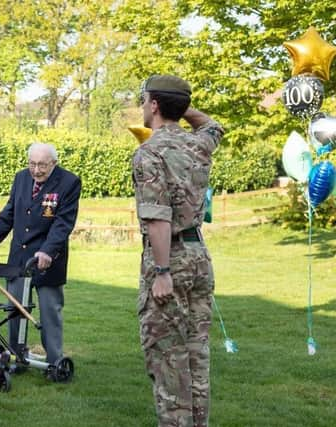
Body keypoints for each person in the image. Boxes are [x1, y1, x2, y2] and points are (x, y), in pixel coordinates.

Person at [132, 75, 224, 427]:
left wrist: (162, 272)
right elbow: (213, 125)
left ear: (154, 105)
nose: (142, 106)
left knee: (168, 359)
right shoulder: (199, 145)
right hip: (199, 258)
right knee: (197, 356)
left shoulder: (148, 153)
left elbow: (157, 218)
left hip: (170, 257)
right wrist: (181, 104)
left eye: (145, 100)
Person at [0, 142, 81, 371]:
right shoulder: (21, 178)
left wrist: (48, 250)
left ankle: (55, 364)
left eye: (42, 165)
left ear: (54, 163)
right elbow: (7, 215)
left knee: (50, 312)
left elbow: (63, 223)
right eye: (32, 164)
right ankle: (17, 358)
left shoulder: (69, 182)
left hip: (48, 260)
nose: (36, 170)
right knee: (15, 311)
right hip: (19, 259)